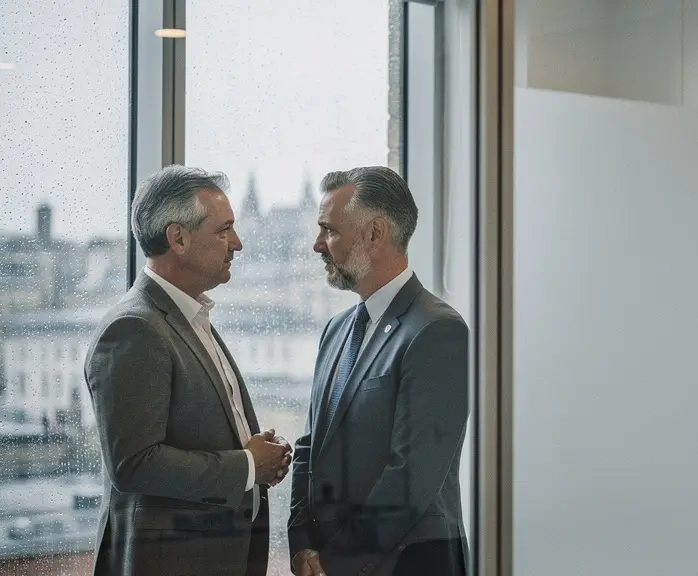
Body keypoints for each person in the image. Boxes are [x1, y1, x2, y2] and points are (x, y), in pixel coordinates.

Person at [84, 165, 292, 576]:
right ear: (178, 238)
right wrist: (250, 466)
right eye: (224, 230)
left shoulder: (188, 316)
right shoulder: (134, 329)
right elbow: (134, 464)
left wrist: (253, 449)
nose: (238, 243)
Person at [288, 167, 469, 576]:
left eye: (329, 230)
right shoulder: (335, 331)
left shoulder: (437, 330)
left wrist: (333, 561)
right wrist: (301, 545)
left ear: (375, 233)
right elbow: (309, 447)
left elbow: (411, 476)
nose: (317, 244)